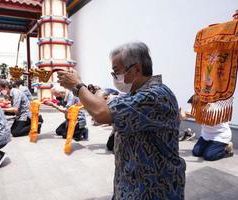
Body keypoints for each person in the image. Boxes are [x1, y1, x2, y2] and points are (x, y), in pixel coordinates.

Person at [57, 42, 186, 199]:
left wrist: (77, 86)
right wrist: (94, 92)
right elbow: (103, 108)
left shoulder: (154, 96)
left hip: (154, 188)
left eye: (116, 72)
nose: (114, 78)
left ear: (137, 69)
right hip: (132, 184)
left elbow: (101, 113)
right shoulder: (135, 94)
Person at [181, 95, 234, 161]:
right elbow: (184, 112)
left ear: (207, 105)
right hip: (206, 135)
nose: (194, 109)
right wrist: (182, 114)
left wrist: (190, 115)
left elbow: (209, 121)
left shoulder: (216, 111)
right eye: (193, 107)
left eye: (196, 107)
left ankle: (227, 149)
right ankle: (210, 146)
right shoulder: (197, 109)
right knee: (196, 152)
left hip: (220, 135)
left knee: (209, 156)